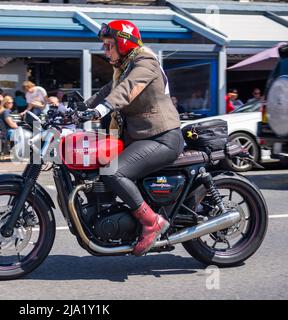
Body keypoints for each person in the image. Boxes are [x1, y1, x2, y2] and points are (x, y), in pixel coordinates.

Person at [81, 20, 184, 256]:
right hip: (140, 137)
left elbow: (126, 89)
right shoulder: (124, 66)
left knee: (113, 171)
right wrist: (76, 109)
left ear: (124, 43)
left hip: (161, 137)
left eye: (109, 45)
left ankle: (151, 222)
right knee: (96, 163)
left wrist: (101, 110)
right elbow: (107, 90)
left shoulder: (145, 62)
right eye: (104, 45)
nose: (105, 50)